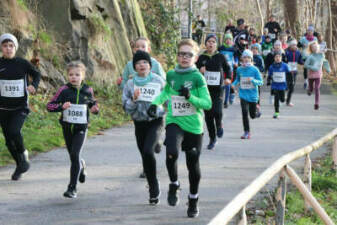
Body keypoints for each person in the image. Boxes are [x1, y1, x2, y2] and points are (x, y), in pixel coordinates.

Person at [147, 39, 212, 218]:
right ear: (177, 55)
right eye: (181, 54)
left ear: (195, 58)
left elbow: (207, 104)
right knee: (172, 152)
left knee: (192, 162)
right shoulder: (172, 74)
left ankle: (193, 199)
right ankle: (174, 184)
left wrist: (190, 97)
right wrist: (155, 103)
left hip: (194, 126)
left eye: (189, 55)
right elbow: (167, 92)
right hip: (175, 121)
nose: (184, 57)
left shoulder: (197, 77)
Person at [47, 61, 99, 198]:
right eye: (71, 75)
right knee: (73, 157)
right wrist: (61, 107)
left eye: (77, 74)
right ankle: (81, 166)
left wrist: (95, 110)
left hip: (81, 128)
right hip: (67, 128)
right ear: (67, 76)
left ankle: (72, 188)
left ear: (83, 76)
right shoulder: (63, 90)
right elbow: (49, 106)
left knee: (75, 154)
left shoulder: (88, 90)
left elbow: (94, 105)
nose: (74, 77)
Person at [122, 50, 165, 205]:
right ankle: (152, 181)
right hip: (139, 122)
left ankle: (153, 186)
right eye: (138, 63)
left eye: (145, 62)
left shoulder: (158, 81)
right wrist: (133, 101)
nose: (142, 65)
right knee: (145, 155)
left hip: (156, 120)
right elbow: (126, 107)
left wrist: (165, 110)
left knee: (148, 150)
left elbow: (168, 98)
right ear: (134, 67)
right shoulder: (130, 84)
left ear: (150, 65)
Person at [0, 33, 41, 180]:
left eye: (11, 46)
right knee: (8, 140)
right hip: (3, 109)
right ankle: (20, 165)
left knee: (14, 131)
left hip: (20, 107)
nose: (8, 49)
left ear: (15, 48)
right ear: (1, 48)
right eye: (5, 46)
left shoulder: (22, 63)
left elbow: (36, 75)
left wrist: (33, 86)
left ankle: (23, 153)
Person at [196, 34, 231, 150]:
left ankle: (219, 124)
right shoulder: (201, 58)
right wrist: (199, 70)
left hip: (218, 89)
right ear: (205, 44)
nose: (211, 44)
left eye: (213, 42)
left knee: (218, 111)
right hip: (205, 90)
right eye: (209, 41)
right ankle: (212, 139)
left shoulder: (220, 56)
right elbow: (194, 71)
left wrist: (227, 78)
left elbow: (228, 68)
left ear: (216, 44)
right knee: (209, 116)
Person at [232, 50, 263, 139]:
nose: (246, 59)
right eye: (244, 57)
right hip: (243, 95)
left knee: (252, 116)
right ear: (242, 58)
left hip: (253, 95)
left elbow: (261, 82)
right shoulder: (239, 69)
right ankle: (246, 132)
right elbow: (237, 79)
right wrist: (233, 84)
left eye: (248, 58)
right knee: (244, 113)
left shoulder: (255, 69)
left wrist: (253, 80)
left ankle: (256, 111)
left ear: (251, 59)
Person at [304, 41, 331, 110]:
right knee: (311, 88)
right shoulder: (310, 56)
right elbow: (306, 65)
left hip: (318, 75)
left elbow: (325, 62)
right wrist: (313, 67)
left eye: (316, 47)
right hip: (311, 75)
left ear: (318, 48)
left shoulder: (321, 55)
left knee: (317, 88)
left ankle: (316, 103)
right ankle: (309, 90)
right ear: (311, 49)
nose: (315, 48)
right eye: (313, 47)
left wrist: (328, 69)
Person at [218, 33, 239, 107]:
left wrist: (236, 62)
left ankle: (226, 100)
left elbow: (236, 57)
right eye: (226, 39)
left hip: (230, 69)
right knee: (221, 85)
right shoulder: (220, 48)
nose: (228, 41)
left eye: (230, 39)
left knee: (228, 84)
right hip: (221, 69)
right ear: (224, 40)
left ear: (232, 40)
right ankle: (221, 99)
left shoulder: (234, 49)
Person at [267, 52, 289, 118]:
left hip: (282, 85)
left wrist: (289, 83)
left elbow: (288, 75)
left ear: (281, 58)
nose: (277, 58)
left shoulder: (285, 66)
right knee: (276, 99)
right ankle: (276, 112)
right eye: (276, 57)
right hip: (275, 85)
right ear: (274, 58)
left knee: (282, 100)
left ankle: (283, 98)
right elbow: (270, 75)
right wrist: (268, 80)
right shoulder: (271, 66)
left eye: (279, 57)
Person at [265, 40, 286, 104]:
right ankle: (271, 96)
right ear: (274, 46)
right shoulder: (270, 54)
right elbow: (267, 63)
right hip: (272, 71)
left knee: (280, 85)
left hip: (281, 72)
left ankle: (280, 98)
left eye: (279, 45)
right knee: (273, 85)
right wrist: (266, 71)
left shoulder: (283, 54)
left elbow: (285, 63)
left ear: (281, 46)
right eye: (276, 45)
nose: (277, 46)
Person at [284, 39, 304, 106]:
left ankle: (288, 101)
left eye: (295, 45)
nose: (295, 46)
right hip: (286, 72)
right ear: (290, 45)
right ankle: (282, 97)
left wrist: (305, 62)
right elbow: (283, 61)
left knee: (292, 87)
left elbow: (300, 61)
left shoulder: (298, 52)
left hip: (294, 72)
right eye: (293, 45)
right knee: (285, 86)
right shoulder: (286, 52)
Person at [298, 25, 318, 89]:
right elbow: (298, 45)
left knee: (312, 69)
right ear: (307, 31)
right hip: (305, 55)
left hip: (313, 56)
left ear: (313, 32)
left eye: (311, 31)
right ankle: (306, 81)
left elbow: (317, 46)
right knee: (306, 69)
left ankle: (312, 82)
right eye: (308, 30)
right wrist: (302, 44)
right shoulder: (303, 38)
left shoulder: (315, 38)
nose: (309, 32)